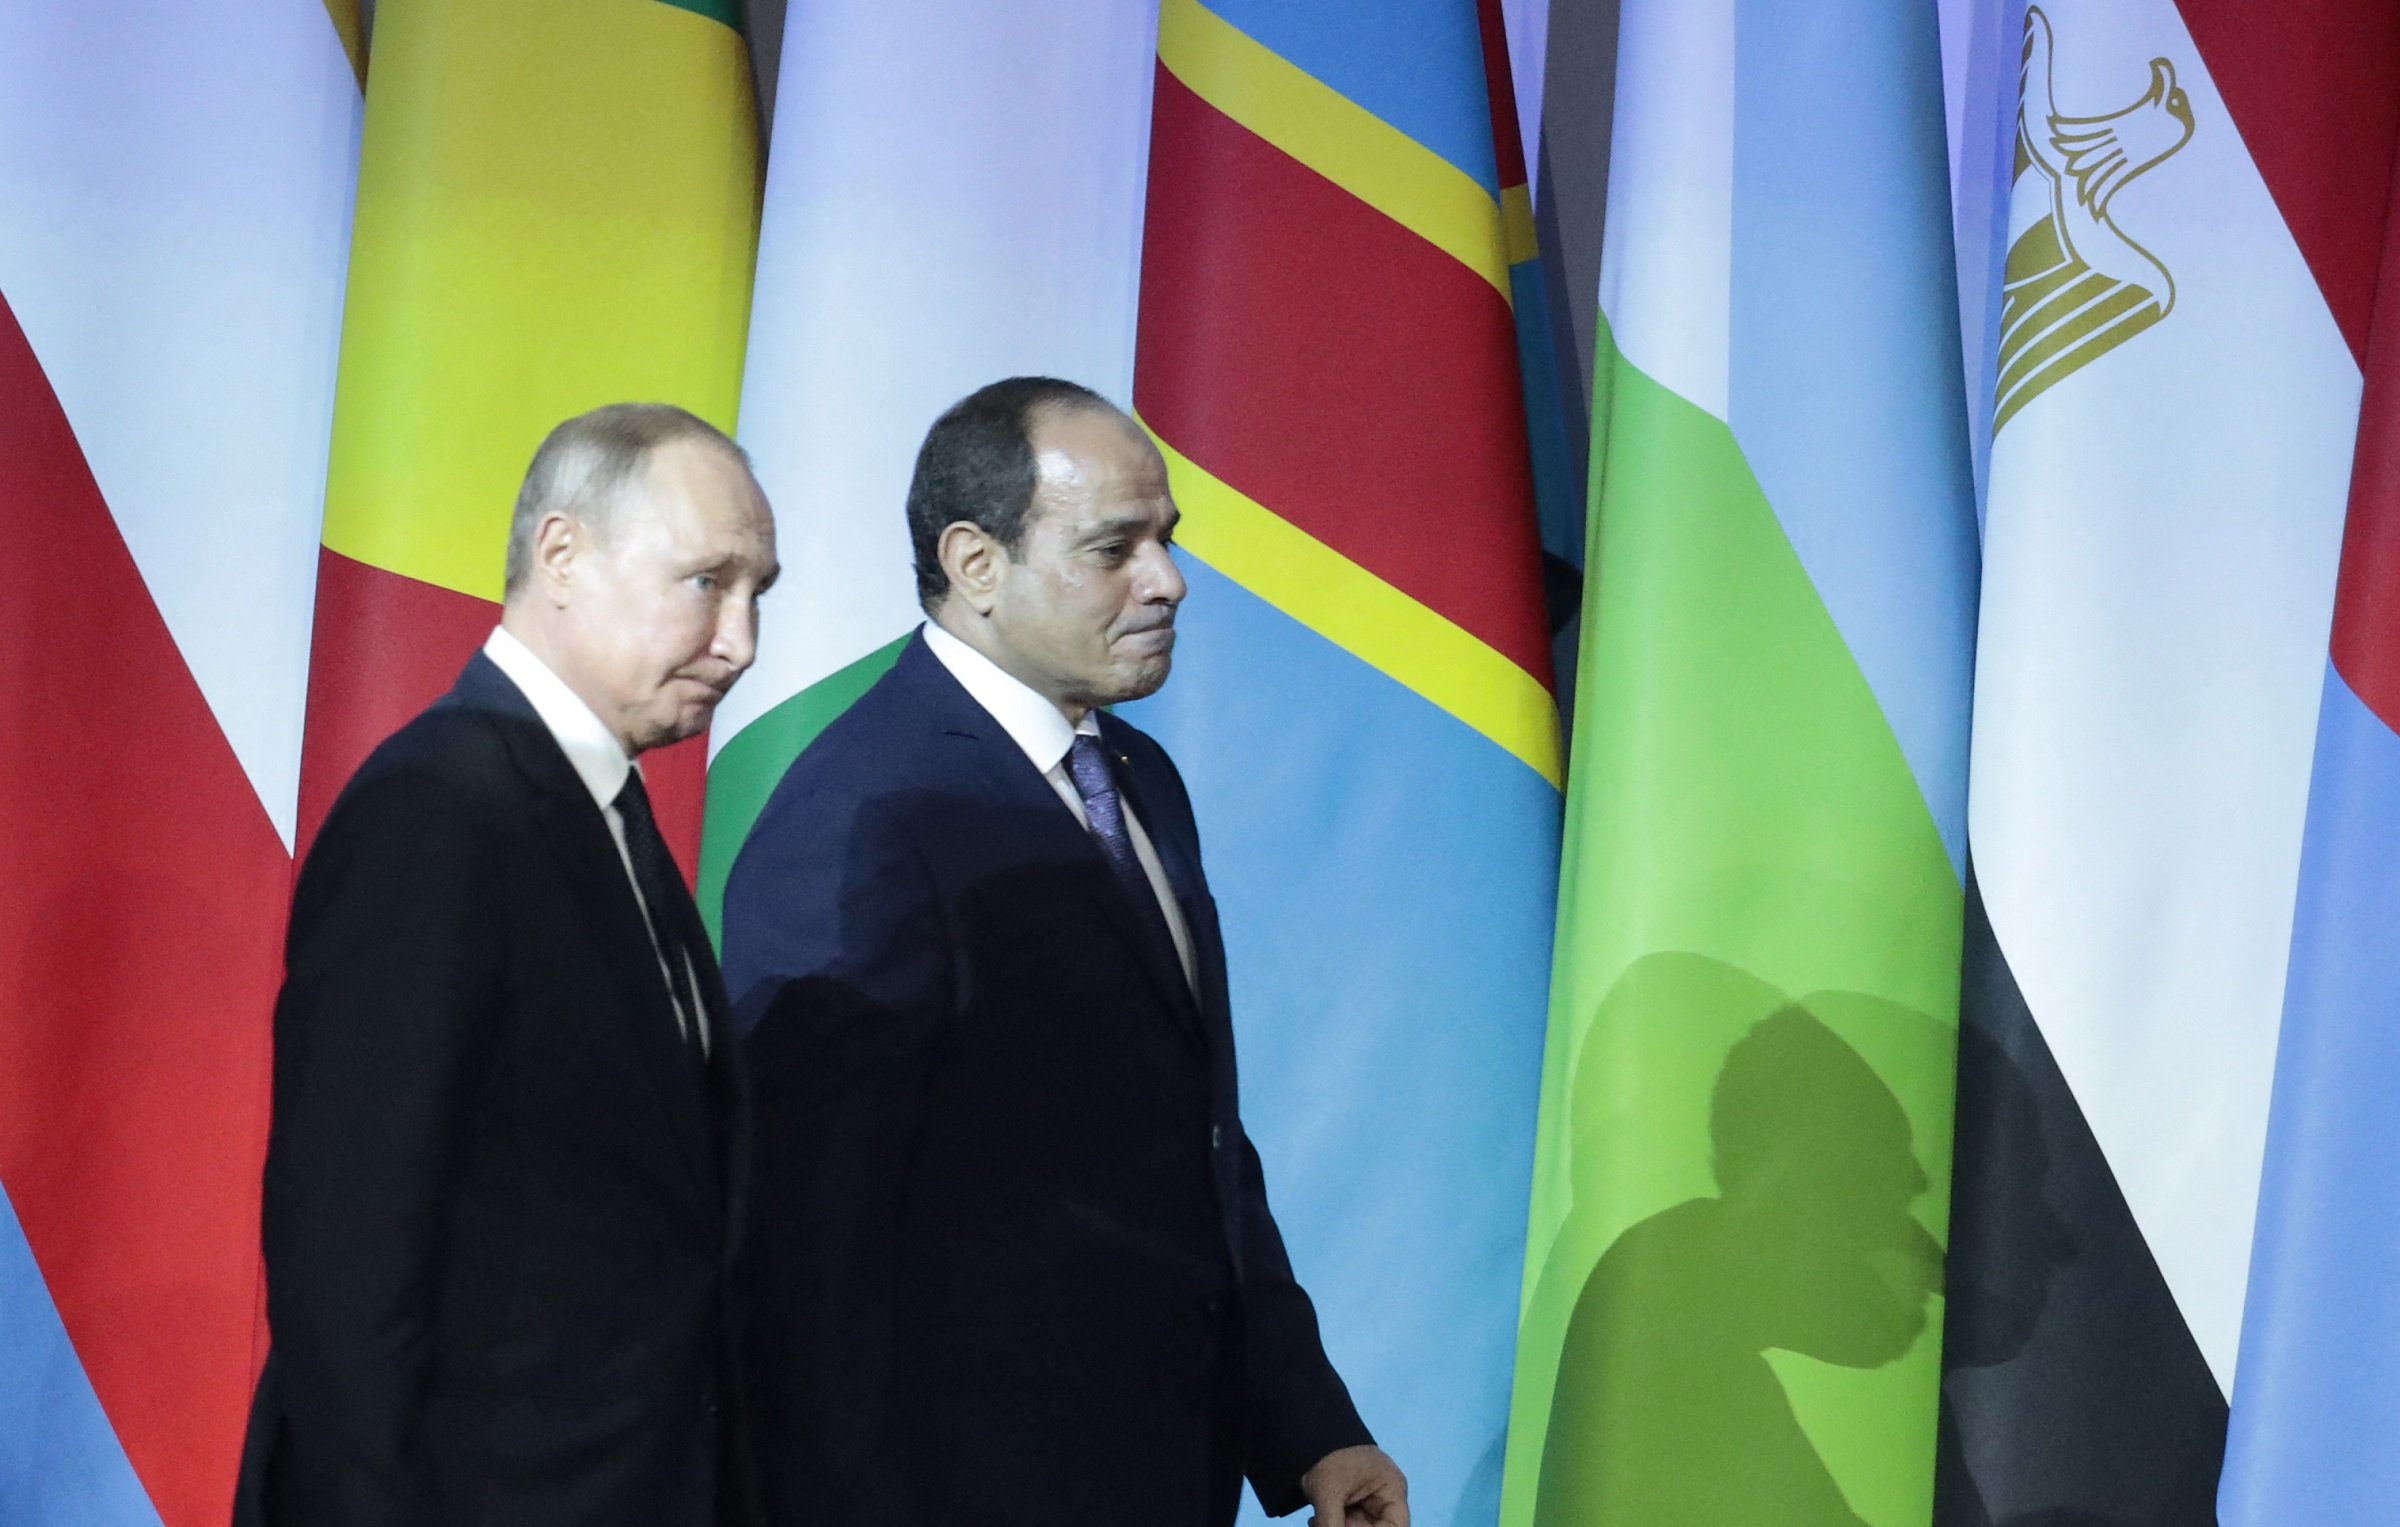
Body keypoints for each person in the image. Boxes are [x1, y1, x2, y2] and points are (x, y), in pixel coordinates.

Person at [722, 377, 1408, 1527]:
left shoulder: (1140, 778)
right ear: (976, 564)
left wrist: (1308, 1426)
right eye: (1113, 549)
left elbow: (1193, 1140)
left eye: (1167, 540)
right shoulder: (863, 814)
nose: (1169, 582)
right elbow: (808, 1243)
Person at [237, 403, 779, 1527]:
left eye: (758, 593)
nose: (741, 640)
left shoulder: (607, 814)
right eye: (707, 583)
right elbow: (348, 1241)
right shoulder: (437, 809)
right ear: (563, 557)